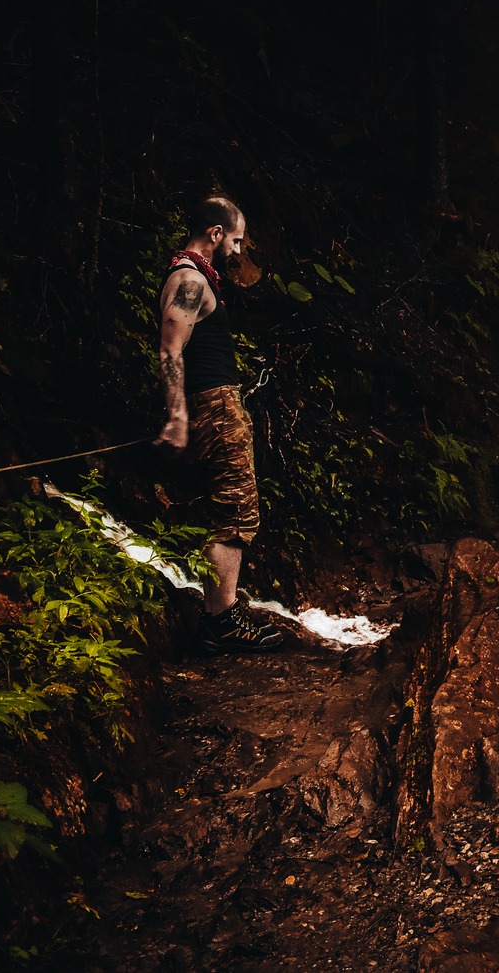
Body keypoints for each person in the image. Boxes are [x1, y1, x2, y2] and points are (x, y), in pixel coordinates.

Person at [156, 194, 284, 653]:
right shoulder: (190, 279)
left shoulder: (194, 277)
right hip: (213, 407)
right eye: (235, 240)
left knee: (232, 507)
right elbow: (170, 350)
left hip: (216, 404)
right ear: (214, 234)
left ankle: (221, 613)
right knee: (235, 510)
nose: (236, 250)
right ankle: (221, 620)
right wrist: (176, 415)